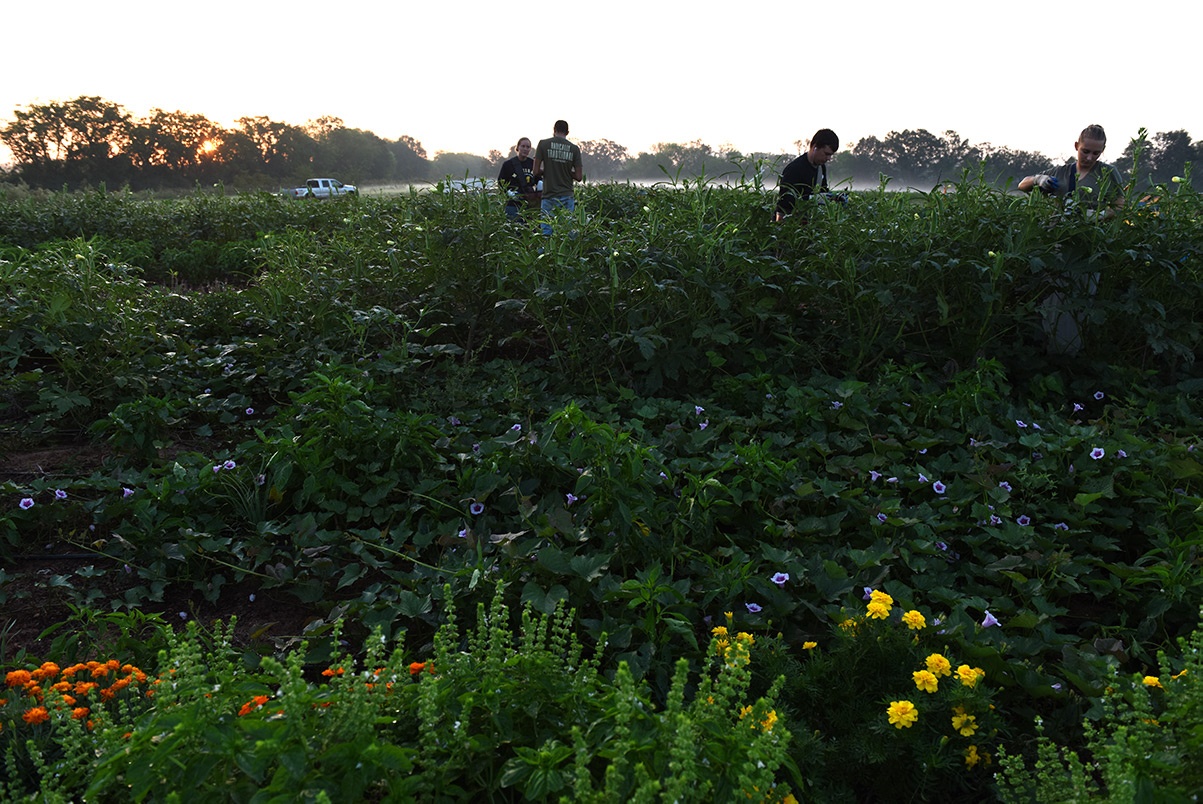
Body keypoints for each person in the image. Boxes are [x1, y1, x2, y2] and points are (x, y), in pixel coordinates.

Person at [1018, 124, 1124, 214]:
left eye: (1096, 153)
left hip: (1091, 235)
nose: (1089, 157)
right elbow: (1022, 185)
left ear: (1103, 150)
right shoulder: (1060, 172)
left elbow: (1121, 206)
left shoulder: (1108, 172)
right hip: (1057, 233)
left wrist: (1099, 215)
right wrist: (1038, 179)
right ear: (1077, 146)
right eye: (1085, 151)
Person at [775, 129, 839, 222]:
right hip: (789, 225)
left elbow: (823, 191)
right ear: (815, 147)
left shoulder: (821, 168)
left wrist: (834, 198)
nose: (828, 158)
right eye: (826, 154)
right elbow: (785, 200)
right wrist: (811, 199)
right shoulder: (794, 169)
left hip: (809, 223)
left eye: (831, 155)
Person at [532, 120, 583, 234]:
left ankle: (545, 251)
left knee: (546, 230)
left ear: (554, 130)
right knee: (567, 231)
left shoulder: (543, 144)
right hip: (566, 195)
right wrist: (565, 170)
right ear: (568, 132)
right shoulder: (574, 148)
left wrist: (548, 170)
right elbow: (579, 177)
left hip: (549, 195)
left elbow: (535, 171)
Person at [497, 137, 538, 221]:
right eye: (523, 146)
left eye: (528, 147)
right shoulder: (508, 165)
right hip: (512, 205)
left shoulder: (533, 164)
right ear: (518, 147)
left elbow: (538, 179)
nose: (525, 149)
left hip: (529, 204)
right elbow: (501, 182)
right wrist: (508, 192)